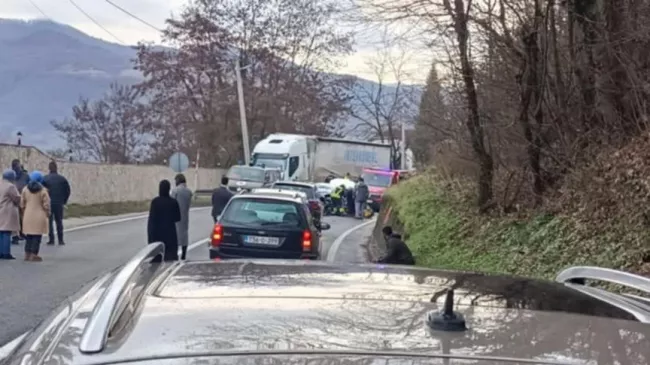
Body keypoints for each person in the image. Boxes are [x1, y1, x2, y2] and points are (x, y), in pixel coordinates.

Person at [147, 180, 181, 262]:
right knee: (170, 260)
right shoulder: (173, 202)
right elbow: (178, 218)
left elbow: (151, 220)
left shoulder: (155, 202)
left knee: (156, 261)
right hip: (170, 235)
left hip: (156, 235)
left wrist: (150, 237)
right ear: (169, 189)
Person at [21, 171, 50, 262]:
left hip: (28, 214)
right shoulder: (43, 190)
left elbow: (22, 204)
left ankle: (27, 253)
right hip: (39, 215)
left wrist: (23, 212)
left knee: (29, 235)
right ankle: (34, 254)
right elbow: (46, 204)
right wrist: (47, 212)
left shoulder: (25, 189)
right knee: (37, 236)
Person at [43, 161, 71, 246]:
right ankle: (60, 240)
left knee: (50, 222)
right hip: (59, 203)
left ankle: (51, 239)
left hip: (49, 202)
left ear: (49, 168)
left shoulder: (45, 179)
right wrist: (64, 201)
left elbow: (42, 192)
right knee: (59, 221)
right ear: (56, 168)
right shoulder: (62, 179)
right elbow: (68, 191)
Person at [171, 173, 193, 260]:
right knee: (184, 236)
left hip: (175, 216)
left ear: (178, 181)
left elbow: (172, 202)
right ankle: (184, 254)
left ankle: (175, 254)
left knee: (175, 236)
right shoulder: (189, 192)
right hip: (185, 216)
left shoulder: (175, 191)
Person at [0, 169, 20, 260]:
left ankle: (0, 252)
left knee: (1, 232)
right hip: (7, 210)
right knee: (6, 232)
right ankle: (6, 253)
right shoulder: (10, 186)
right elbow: (16, 198)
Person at [10, 159, 28, 245]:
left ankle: (22, 232)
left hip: (23, 198)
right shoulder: (11, 175)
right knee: (15, 217)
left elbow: (30, 184)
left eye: (17, 166)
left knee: (22, 216)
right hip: (13, 199)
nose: (17, 168)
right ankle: (16, 235)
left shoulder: (25, 175)